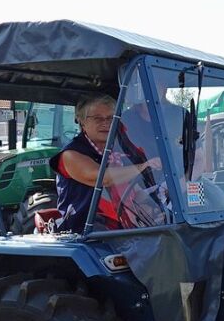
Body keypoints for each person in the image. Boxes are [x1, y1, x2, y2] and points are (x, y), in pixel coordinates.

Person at [50, 94, 161, 233]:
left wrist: (151, 204)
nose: (106, 123)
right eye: (98, 118)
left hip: (122, 228)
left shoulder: (121, 149)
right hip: (84, 231)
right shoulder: (70, 154)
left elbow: (134, 189)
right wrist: (142, 167)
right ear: (82, 122)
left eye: (111, 118)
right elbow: (102, 178)